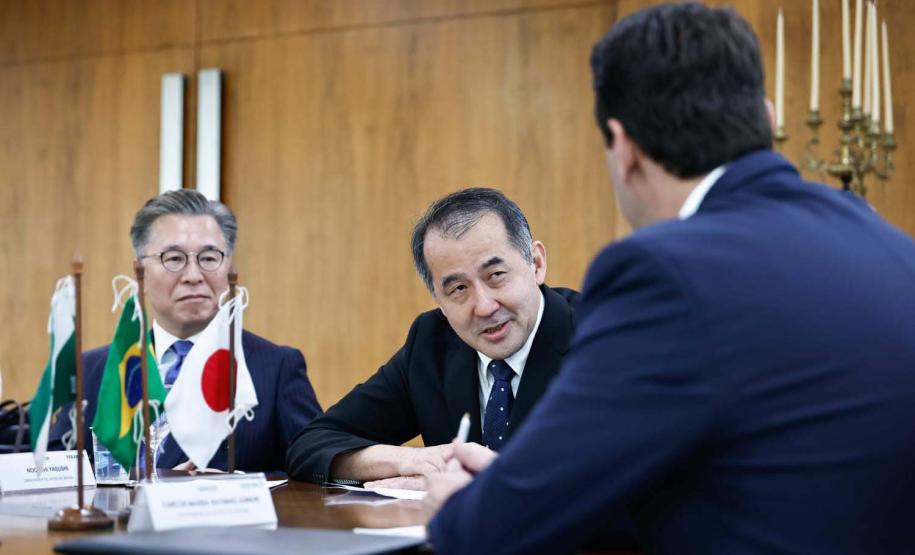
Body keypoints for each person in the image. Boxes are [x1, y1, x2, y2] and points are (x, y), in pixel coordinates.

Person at [425, 4, 915, 554]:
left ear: (624, 147)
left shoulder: (663, 273)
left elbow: (492, 530)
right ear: (768, 118)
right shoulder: (891, 246)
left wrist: (459, 502)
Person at [286, 188, 578, 488]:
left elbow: (610, 475)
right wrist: (411, 461)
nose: (484, 306)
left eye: (496, 275)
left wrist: (485, 481)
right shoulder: (430, 343)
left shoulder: (599, 338)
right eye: (458, 289)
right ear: (439, 300)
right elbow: (311, 445)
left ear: (537, 263)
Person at [54, 189, 321, 472]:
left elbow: (314, 472)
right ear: (139, 271)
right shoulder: (92, 370)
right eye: (173, 258)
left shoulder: (276, 367)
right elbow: (53, 478)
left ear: (230, 267)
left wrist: (231, 488)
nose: (193, 276)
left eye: (208, 258)